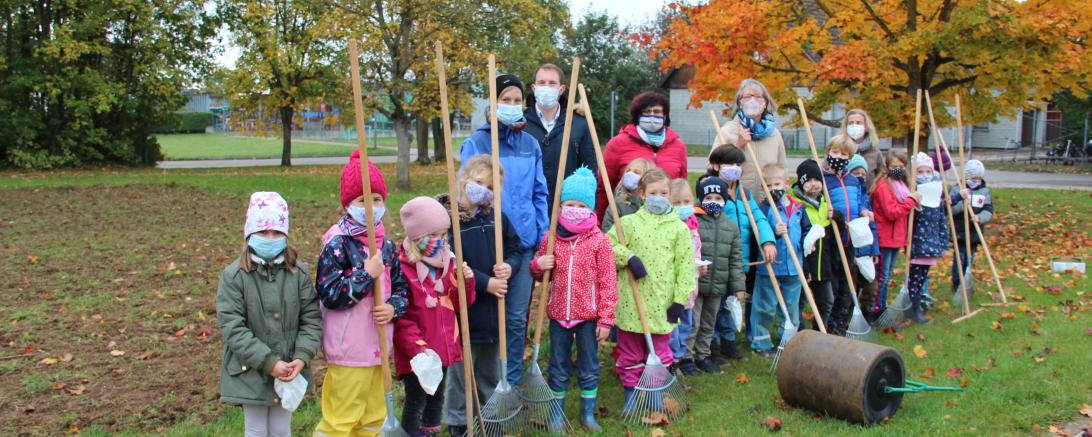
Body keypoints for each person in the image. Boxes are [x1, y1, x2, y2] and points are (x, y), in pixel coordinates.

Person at [460, 74, 549, 385]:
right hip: (486, 243)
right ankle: (483, 381)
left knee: (514, 319)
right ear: (493, 104)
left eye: (517, 101)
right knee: (486, 319)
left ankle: (509, 381)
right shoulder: (476, 143)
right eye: (505, 100)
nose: (512, 106)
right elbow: (467, 194)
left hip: (522, 245)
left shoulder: (530, 145)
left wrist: (542, 235)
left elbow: (539, 193)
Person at [313, 151, 410, 437]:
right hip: (348, 350)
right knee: (341, 420)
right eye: (362, 201)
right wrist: (366, 274)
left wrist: (393, 307)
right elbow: (331, 294)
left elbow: (402, 289)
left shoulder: (387, 246)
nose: (371, 207)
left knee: (373, 419)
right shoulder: (337, 245)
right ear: (347, 205)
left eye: (377, 200)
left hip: (378, 349)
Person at [217, 192, 321, 437]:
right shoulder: (234, 277)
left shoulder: (299, 274)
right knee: (255, 430)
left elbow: (311, 319)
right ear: (250, 234)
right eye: (264, 233)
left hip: (289, 368)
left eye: (277, 233)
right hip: (249, 371)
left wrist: (302, 355)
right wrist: (268, 362)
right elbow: (233, 328)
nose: (270, 238)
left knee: (280, 429)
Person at [528, 167, 618, 432]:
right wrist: (538, 264)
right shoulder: (552, 237)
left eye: (581, 205)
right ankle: (556, 414)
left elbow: (608, 281)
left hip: (589, 318)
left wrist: (606, 318)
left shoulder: (599, 241)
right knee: (558, 364)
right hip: (559, 315)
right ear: (561, 205)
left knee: (589, 365)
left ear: (589, 208)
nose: (575, 209)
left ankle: (587, 414)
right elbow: (540, 273)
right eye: (570, 204)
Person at [439, 155, 521, 437]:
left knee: (489, 370)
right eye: (478, 183)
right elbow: (451, 262)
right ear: (464, 180)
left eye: (490, 187)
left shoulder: (497, 218)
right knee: (461, 375)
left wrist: (509, 265)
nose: (483, 190)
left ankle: (489, 418)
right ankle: (458, 422)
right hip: (464, 314)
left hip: (492, 315)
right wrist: (485, 283)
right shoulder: (450, 221)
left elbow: (516, 248)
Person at [606, 168, 695, 413]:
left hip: (662, 304)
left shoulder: (679, 229)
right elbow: (607, 246)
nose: (659, 196)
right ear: (643, 195)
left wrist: (679, 301)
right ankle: (631, 395)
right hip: (631, 304)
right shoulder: (629, 224)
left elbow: (686, 267)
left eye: (664, 193)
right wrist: (628, 256)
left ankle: (655, 394)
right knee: (630, 353)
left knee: (660, 354)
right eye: (653, 192)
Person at [393, 197, 476, 436]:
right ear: (419, 236)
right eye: (436, 235)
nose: (442, 242)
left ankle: (431, 432)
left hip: (443, 350)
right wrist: (418, 349)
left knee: (435, 403)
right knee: (416, 401)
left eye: (444, 235)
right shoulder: (403, 268)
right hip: (418, 355)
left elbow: (462, 304)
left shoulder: (446, 262)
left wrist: (466, 282)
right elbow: (401, 318)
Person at [705, 145, 776, 360]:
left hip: (739, 260)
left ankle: (729, 342)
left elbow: (758, 218)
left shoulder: (743, 193)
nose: (735, 169)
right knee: (715, 306)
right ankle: (712, 345)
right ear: (716, 166)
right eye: (729, 164)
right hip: (718, 259)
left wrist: (767, 241)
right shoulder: (710, 191)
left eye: (738, 164)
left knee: (732, 303)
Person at [680, 177, 744, 375]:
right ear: (700, 198)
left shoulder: (731, 227)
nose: (713, 201)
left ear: (725, 199)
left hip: (718, 286)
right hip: (696, 284)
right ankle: (686, 358)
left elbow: (735, 258)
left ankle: (703, 355)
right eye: (708, 197)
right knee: (693, 323)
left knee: (709, 323)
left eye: (718, 197)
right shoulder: (693, 221)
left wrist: (738, 285)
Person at [595, 91, 689, 222]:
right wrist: (599, 223)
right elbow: (604, 189)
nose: (652, 116)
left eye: (656, 112)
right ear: (638, 115)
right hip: (627, 221)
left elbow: (681, 187)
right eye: (646, 112)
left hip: (667, 223)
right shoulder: (618, 144)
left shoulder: (678, 146)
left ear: (665, 115)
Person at [820, 135, 878, 335]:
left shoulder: (853, 180)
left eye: (844, 154)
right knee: (832, 285)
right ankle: (826, 324)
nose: (839, 156)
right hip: (831, 239)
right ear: (828, 153)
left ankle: (840, 322)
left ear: (850, 157)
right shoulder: (822, 179)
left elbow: (862, 199)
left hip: (850, 240)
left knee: (846, 286)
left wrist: (863, 210)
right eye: (835, 152)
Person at [523, 63, 597, 208]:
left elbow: (590, 171)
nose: (546, 87)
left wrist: (586, 210)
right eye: (541, 83)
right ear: (533, 88)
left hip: (567, 209)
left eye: (552, 83)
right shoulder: (521, 125)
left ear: (561, 89)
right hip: (529, 208)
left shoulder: (579, 125)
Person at [751, 164, 804, 356]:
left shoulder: (798, 208)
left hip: (794, 267)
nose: (774, 189)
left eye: (777, 184)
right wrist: (774, 233)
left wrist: (810, 242)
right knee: (765, 307)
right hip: (771, 267)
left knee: (791, 308)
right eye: (769, 186)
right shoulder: (762, 209)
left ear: (786, 183)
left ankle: (787, 341)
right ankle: (761, 343)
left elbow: (804, 231)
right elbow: (758, 234)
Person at [712, 78, 788, 203]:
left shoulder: (774, 134)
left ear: (765, 103)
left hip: (768, 205)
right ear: (739, 102)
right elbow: (712, 169)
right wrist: (738, 146)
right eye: (747, 96)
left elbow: (782, 170)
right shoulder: (728, 131)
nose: (752, 101)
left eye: (758, 96)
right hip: (738, 203)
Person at [869, 150, 921, 319]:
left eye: (901, 166)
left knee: (888, 274)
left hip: (897, 237)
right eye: (894, 166)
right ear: (887, 167)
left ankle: (882, 305)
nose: (897, 169)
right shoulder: (883, 186)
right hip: (885, 237)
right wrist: (911, 201)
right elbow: (892, 212)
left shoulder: (903, 185)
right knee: (882, 276)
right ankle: (877, 308)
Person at [793, 159, 842, 331]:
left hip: (823, 265)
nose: (814, 185)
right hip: (804, 264)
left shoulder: (826, 204)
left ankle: (819, 331)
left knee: (826, 301)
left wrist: (838, 217)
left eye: (817, 180)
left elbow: (836, 236)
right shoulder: (797, 206)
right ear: (801, 182)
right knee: (798, 302)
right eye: (809, 181)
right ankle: (798, 333)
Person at [905, 152, 950, 324]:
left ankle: (917, 306)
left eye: (927, 171)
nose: (925, 175)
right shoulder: (913, 192)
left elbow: (941, 221)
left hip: (932, 244)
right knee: (915, 279)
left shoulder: (936, 193)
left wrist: (944, 244)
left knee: (922, 277)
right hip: (918, 244)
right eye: (920, 172)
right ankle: (914, 309)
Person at [667, 178, 703, 371]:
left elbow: (696, 252)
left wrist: (700, 266)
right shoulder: (669, 228)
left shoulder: (694, 226)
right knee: (673, 329)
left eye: (686, 202)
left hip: (691, 288)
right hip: (673, 291)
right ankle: (670, 361)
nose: (682, 206)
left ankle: (679, 359)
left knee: (686, 327)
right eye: (677, 202)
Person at [949, 160, 993, 295]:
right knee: (960, 259)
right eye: (974, 178)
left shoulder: (984, 191)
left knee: (969, 259)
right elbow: (950, 209)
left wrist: (980, 218)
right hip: (960, 232)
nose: (977, 181)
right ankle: (957, 283)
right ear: (967, 177)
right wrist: (962, 202)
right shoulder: (958, 189)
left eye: (980, 178)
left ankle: (966, 283)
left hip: (974, 233)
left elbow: (989, 209)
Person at [601, 157, 653, 232]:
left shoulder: (651, 204)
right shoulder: (618, 202)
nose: (630, 174)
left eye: (636, 172)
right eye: (628, 171)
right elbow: (607, 227)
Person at [839, 109, 886, 184]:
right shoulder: (837, 151)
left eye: (858, 123)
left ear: (866, 126)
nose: (854, 125)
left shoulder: (875, 153)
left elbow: (882, 177)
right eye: (850, 123)